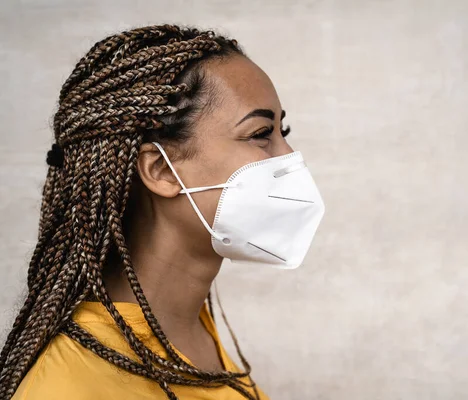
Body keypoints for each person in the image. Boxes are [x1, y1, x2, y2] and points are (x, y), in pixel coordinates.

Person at [0, 24, 325, 400]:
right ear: (161, 170)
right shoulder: (72, 386)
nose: (290, 158)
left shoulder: (184, 329)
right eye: (260, 133)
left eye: (283, 130)